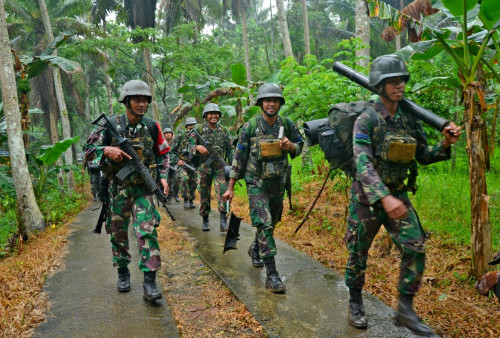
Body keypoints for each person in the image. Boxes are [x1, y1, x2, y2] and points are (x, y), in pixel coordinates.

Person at [344, 55, 461, 335]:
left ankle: (405, 309)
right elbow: (363, 164)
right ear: (380, 86)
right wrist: (384, 197)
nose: (400, 86)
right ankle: (355, 301)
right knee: (358, 254)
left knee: (415, 246)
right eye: (392, 81)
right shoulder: (367, 119)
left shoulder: (410, 119)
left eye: (402, 80)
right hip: (367, 201)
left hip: (398, 196)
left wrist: (444, 143)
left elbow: (423, 155)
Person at [83, 80, 170, 302]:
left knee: (147, 232)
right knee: (119, 234)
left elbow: (163, 153)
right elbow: (88, 151)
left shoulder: (152, 126)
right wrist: (106, 150)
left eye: (145, 100)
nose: (142, 104)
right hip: (118, 189)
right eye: (137, 100)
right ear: (127, 101)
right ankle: (123, 271)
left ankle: (150, 282)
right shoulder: (110, 125)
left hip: (143, 189)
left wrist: (162, 176)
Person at [223, 83, 304, 293]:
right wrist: (231, 187)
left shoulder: (287, 124)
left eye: (275, 100)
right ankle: (272, 275)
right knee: (265, 222)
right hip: (255, 181)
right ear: (261, 103)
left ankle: (256, 247)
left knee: (273, 219)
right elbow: (238, 157)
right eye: (267, 100)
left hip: (277, 182)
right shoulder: (250, 127)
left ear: (279, 103)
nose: (271, 104)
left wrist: (291, 147)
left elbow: (301, 144)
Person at [190, 103, 233, 232]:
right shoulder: (199, 129)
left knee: (223, 192)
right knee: (204, 194)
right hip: (204, 167)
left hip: (220, 167)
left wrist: (231, 166)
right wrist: (197, 148)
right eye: (211, 114)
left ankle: (223, 220)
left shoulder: (224, 130)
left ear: (219, 116)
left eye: (216, 114)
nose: (213, 116)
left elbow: (230, 149)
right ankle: (205, 219)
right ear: (206, 115)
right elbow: (188, 147)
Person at [170, 117, 198, 210]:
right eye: (190, 125)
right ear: (187, 127)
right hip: (183, 163)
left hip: (194, 164)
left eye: (193, 125)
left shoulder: (198, 137)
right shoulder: (181, 136)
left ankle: (191, 200)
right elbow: (172, 151)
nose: (192, 127)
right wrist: (177, 161)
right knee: (183, 179)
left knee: (193, 183)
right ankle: (186, 199)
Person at [163, 127, 180, 204]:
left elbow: (179, 152)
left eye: (169, 133)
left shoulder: (175, 143)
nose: (168, 134)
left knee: (176, 180)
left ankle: (176, 194)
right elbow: (160, 154)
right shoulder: (162, 144)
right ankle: (169, 196)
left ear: (172, 135)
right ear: (164, 135)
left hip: (174, 165)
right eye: (166, 133)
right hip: (166, 166)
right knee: (168, 181)